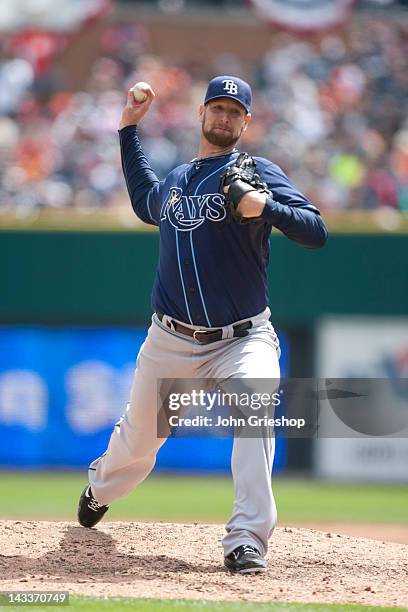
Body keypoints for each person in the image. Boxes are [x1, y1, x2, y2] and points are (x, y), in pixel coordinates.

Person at [77, 75, 328, 574]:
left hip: (243, 337)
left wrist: (266, 207)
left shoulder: (256, 171)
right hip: (170, 339)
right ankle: (99, 487)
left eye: (235, 111)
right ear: (201, 113)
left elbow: (315, 229)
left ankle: (246, 539)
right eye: (218, 107)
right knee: (135, 442)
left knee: (255, 407)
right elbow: (144, 199)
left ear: (246, 121)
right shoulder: (179, 179)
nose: (225, 117)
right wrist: (128, 129)